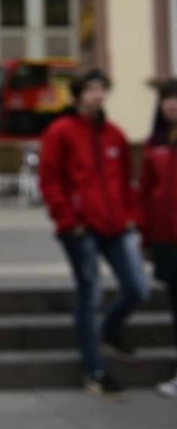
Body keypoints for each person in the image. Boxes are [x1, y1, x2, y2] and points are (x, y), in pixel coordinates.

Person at [38, 69, 150, 396]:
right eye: (90, 89)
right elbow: (50, 180)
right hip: (81, 228)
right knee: (90, 294)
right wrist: (68, 218)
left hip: (116, 225)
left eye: (101, 88)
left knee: (138, 288)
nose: (97, 94)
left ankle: (108, 331)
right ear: (77, 95)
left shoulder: (114, 134)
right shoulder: (61, 131)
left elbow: (127, 180)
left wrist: (131, 216)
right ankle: (94, 369)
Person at [139, 80, 177, 398]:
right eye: (167, 98)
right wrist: (146, 239)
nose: (172, 104)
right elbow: (147, 195)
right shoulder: (156, 143)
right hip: (166, 239)